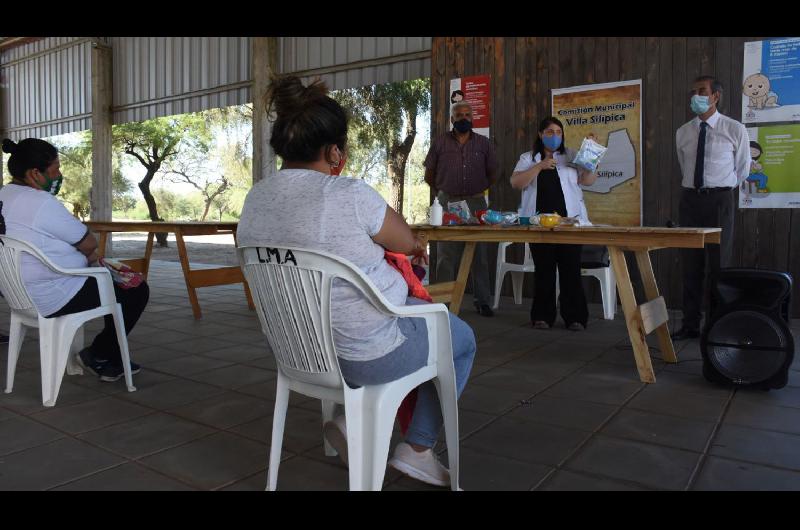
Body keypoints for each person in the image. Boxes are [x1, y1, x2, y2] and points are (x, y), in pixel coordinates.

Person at [237, 76, 476, 488]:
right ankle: (417, 448)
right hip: (369, 353)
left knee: (406, 327)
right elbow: (404, 240)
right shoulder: (348, 192)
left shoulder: (254, 200)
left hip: (299, 351)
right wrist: (415, 244)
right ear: (334, 151)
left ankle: (352, 420)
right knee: (459, 339)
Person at [0, 138, 149, 382]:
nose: (59, 174)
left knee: (108, 282)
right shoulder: (41, 202)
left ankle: (105, 355)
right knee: (133, 289)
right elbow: (89, 243)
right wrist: (87, 255)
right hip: (52, 294)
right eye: (55, 169)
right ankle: (100, 354)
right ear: (34, 173)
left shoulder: (4, 194)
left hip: (15, 291)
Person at [671, 76, 749, 340]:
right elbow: (685, 167)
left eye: (701, 91)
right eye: (693, 91)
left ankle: (717, 325)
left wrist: (719, 190)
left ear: (715, 96)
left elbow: (742, 169)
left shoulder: (734, 129)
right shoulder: (683, 132)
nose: (696, 96)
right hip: (691, 201)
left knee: (718, 266)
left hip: (719, 201)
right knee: (690, 266)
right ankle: (691, 324)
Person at [509, 117, 598, 330]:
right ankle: (542, 316)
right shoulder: (528, 158)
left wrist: (592, 154)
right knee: (544, 270)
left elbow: (588, 180)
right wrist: (539, 166)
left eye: (558, 131)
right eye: (549, 132)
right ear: (540, 134)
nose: (554, 136)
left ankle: (575, 317)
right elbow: (516, 182)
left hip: (570, 223)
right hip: (539, 223)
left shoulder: (571, 155)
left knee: (570, 269)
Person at [424, 101, 498, 317]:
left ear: (472, 118)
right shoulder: (439, 143)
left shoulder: (483, 143)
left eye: (467, 115)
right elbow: (429, 174)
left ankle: (483, 300)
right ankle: (444, 302)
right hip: (448, 202)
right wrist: (444, 192)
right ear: (452, 119)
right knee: (446, 254)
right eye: (459, 115)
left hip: (476, 203)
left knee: (480, 253)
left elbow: (493, 172)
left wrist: (479, 190)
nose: (463, 118)